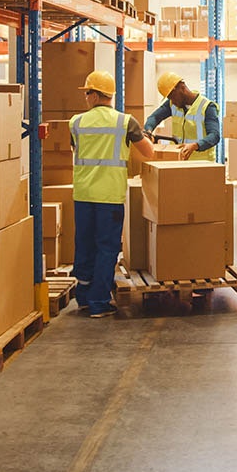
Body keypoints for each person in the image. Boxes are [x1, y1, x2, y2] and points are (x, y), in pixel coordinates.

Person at [70, 69, 154, 318]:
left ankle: (83, 298)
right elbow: (148, 152)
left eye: (87, 93)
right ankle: (98, 303)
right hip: (109, 197)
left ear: (95, 95)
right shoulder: (125, 122)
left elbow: (76, 148)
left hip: (83, 195)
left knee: (84, 244)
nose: (85, 97)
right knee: (106, 248)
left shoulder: (75, 122)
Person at [144, 71, 221, 161]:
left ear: (182, 87)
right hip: (179, 161)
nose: (172, 100)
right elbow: (154, 117)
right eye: (169, 98)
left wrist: (196, 145)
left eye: (172, 96)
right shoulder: (171, 104)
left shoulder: (207, 107)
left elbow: (214, 135)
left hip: (202, 163)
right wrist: (148, 131)